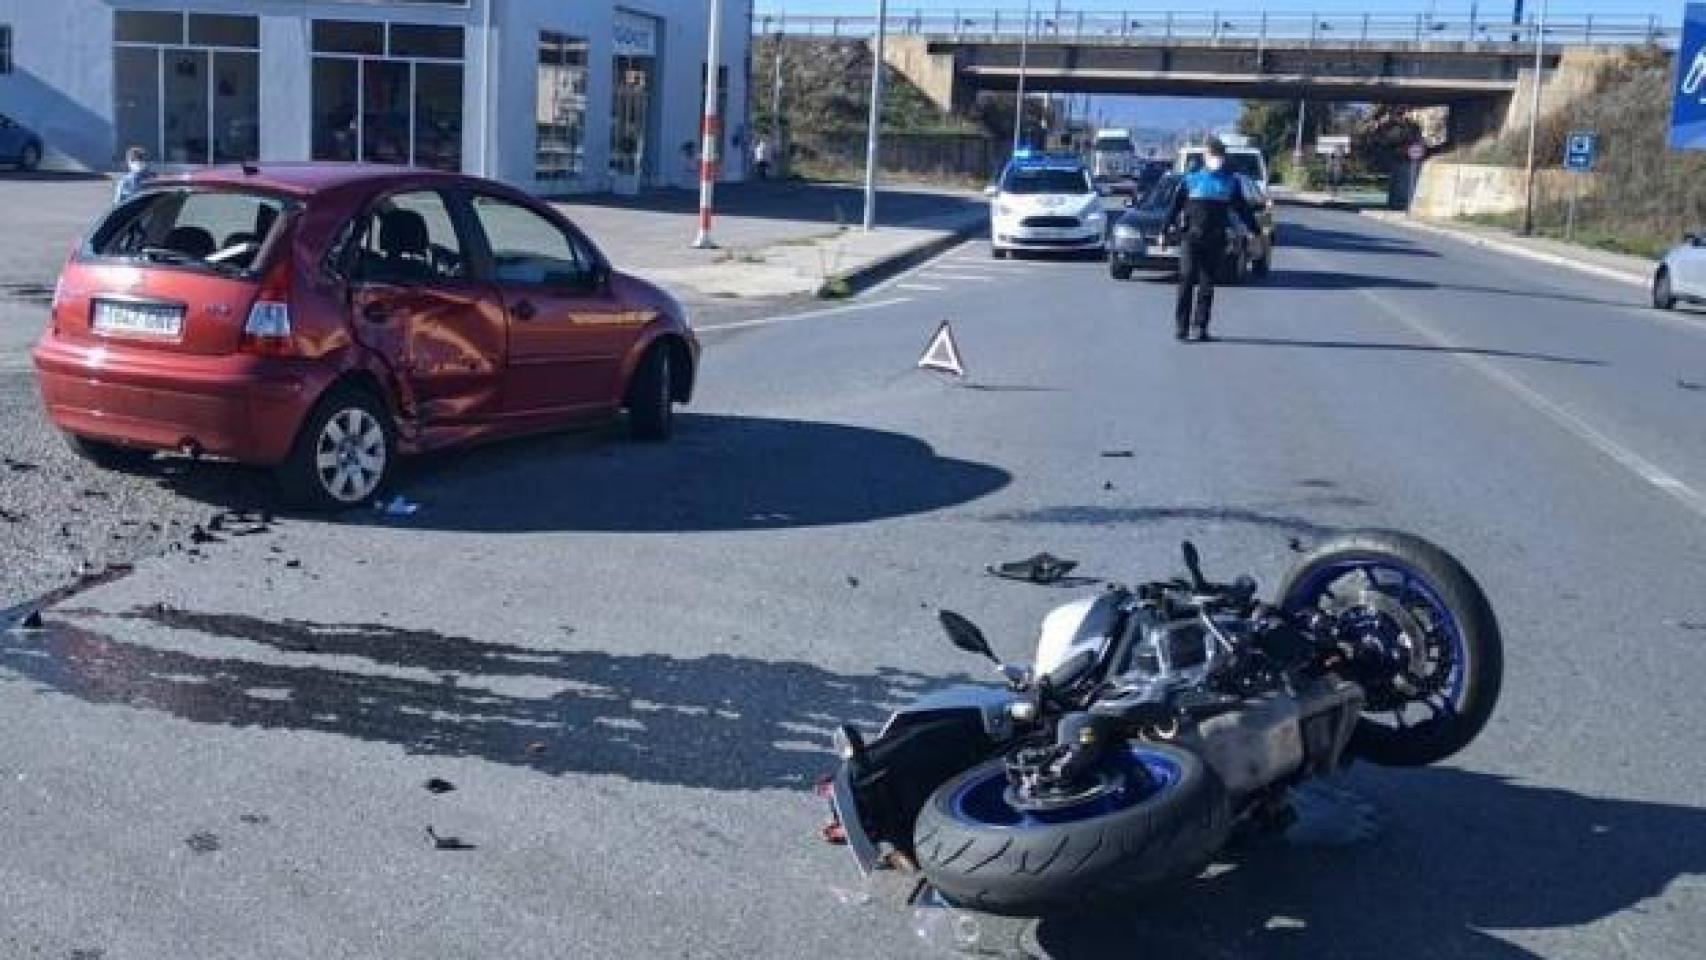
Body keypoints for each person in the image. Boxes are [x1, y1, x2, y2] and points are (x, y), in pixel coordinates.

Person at [1166, 138, 1261, 343]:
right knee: (1187, 277)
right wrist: (1164, 229)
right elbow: (1175, 206)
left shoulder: (1230, 181)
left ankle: (1200, 326)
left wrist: (1255, 230)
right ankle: (1181, 327)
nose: (1216, 159)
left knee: (1207, 284)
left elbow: (1242, 208)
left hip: (1215, 239)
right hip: (1191, 237)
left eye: (1219, 155)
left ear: (1223, 157)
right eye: (1213, 155)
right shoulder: (1190, 180)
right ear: (1205, 156)